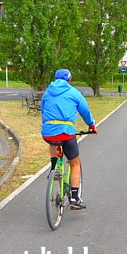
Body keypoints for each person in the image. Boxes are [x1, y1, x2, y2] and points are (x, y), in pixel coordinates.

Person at [41, 69, 96, 209]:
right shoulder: (74, 93)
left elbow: (43, 109)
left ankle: (54, 168)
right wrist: (91, 125)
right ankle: (74, 197)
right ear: (70, 80)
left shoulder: (47, 92)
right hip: (66, 133)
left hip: (47, 133)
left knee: (53, 139)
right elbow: (85, 111)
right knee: (75, 163)